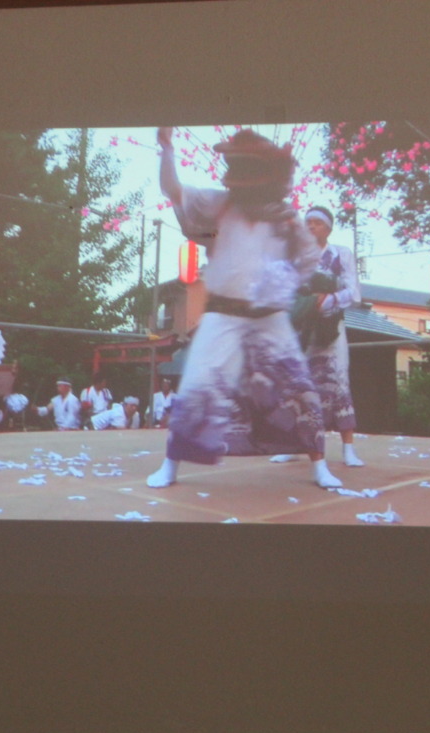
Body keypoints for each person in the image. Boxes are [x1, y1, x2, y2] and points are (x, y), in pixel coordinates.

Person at [146, 127, 341, 490]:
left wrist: (285, 280)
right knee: (198, 382)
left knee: (299, 387)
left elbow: (308, 258)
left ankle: (319, 466)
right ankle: (170, 465)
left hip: (269, 317)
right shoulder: (219, 204)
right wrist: (167, 148)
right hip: (222, 313)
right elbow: (173, 189)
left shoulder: (285, 218)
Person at [271, 206, 364, 468]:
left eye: (317, 223)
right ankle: (292, 444)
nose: (311, 227)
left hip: (330, 327)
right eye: (308, 222)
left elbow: (354, 293)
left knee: (338, 382)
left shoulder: (341, 254)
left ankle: (348, 448)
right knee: (297, 386)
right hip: (302, 329)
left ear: (328, 228)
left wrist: (329, 299)